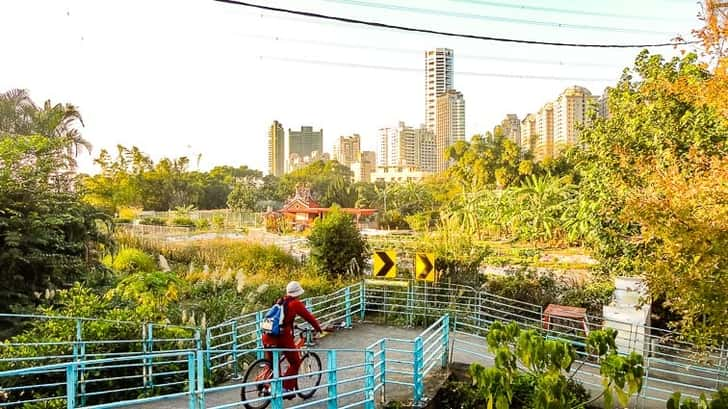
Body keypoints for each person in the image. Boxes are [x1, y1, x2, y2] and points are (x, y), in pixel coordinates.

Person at [262, 281, 322, 396]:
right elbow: (309, 317)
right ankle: (285, 388)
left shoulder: (280, 301)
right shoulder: (295, 303)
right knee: (295, 362)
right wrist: (318, 329)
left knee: (273, 365)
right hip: (281, 337)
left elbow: (279, 319)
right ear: (298, 293)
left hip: (267, 335)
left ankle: (270, 386)